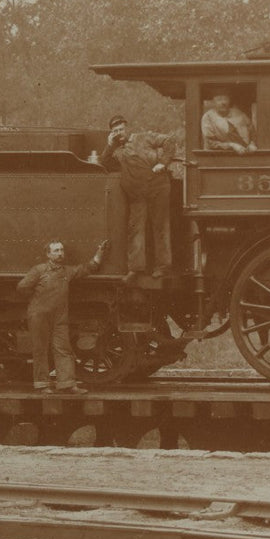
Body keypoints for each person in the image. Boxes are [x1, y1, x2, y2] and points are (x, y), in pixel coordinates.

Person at [17, 238, 107, 394]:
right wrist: (37, 299)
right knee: (40, 350)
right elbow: (22, 287)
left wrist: (100, 252)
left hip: (60, 317)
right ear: (48, 254)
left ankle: (67, 384)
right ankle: (42, 385)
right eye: (56, 251)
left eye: (61, 250)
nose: (60, 253)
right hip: (39, 316)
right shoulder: (39, 270)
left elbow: (88, 268)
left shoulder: (67, 271)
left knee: (63, 348)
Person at [101, 115, 174, 278]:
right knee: (136, 229)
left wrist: (163, 162)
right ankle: (136, 268)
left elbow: (168, 140)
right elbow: (104, 164)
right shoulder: (117, 151)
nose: (119, 133)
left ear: (127, 128)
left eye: (121, 129)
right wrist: (109, 145)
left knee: (160, 227)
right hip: (137, 195)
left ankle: (163, 267)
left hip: (158, 188)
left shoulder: (144, 138)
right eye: (115, 131)